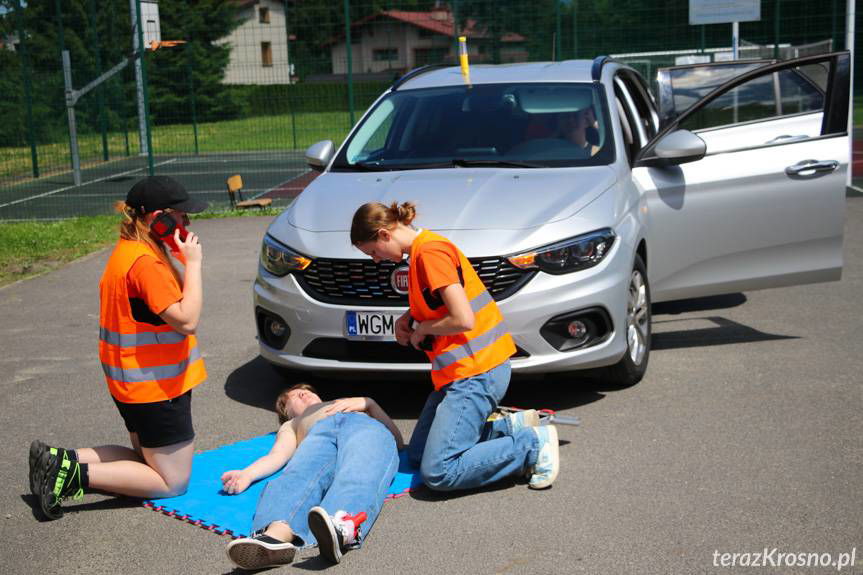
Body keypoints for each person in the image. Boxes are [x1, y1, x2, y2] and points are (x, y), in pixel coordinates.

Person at [28, 175, 208, 520]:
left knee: (145, 461)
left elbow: (170, 303)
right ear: (159, 219)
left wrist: (179, 256)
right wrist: (195, 263)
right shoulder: (146, 264)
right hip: (156, 387)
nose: (189, 223)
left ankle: (57, 459)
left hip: (133, 381)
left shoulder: (130, 252)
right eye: (182, 217)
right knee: (172, 482)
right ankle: (69, 476)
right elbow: (187, 320)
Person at [350, 201, 560, 494]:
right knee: (419, 455)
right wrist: (410, 317)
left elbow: (463, 318)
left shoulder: (430, 254)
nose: (375, 260)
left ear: (384, 234)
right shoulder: (420, 252)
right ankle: (508, 428)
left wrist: (422, 329)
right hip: (459, 375)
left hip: (478, 372)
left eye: (372, 252)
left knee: (438, 471)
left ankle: (531, 446)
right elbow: (437, 303)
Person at [223, 383, 402, 570]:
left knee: (360, 468)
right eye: (295, 396)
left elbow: (397, 440)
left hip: (363, 427)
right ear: (287, 412)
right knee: (297, 476)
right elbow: (277, 455)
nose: (304, 394)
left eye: (307, 391)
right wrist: (247, 474)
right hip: (318, 435)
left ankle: (342, 525)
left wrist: (370, 404)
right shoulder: (292, 424)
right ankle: (275, 537)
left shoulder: (347, 403)